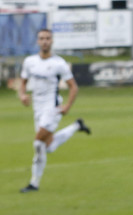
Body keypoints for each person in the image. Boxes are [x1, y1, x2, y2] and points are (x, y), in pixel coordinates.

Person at [18, 28, 90, 193]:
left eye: (48, 38)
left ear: (52, 41)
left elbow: (73, 87)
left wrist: (67, 106)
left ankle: (33, 183)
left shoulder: (59, 63)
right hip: (37, 108)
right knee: (47, 147)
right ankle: (77, 126)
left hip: (52, 108)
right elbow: (22, 82)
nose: (45, 41)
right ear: (37, 41)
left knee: (38, 143)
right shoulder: (29, 62)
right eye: (42, 38)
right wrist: (22, 95)